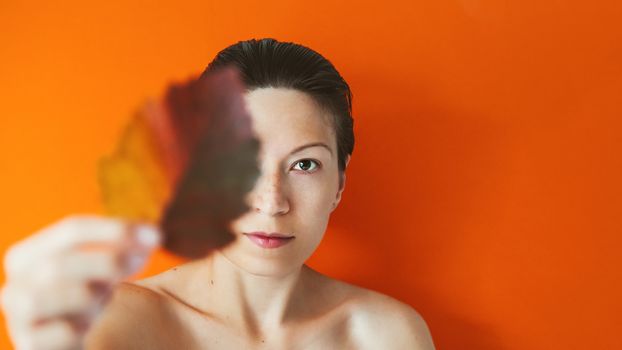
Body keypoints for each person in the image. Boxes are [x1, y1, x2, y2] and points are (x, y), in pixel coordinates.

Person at [1, 38, 435, 349]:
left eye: (305, 164)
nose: (272, 202)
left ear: (339, 185)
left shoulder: (386, 335)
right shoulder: (111, 326)